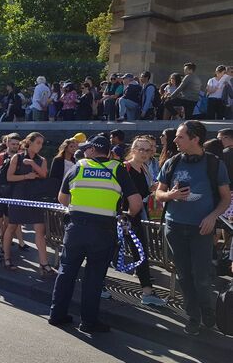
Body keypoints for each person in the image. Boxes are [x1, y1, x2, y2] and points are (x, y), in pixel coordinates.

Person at [49, 135, 143, 333]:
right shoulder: (117, 169)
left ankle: (57, 315)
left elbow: (62, 198)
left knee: (66, 272)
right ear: (108, 152)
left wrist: (79, 207)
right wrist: (126, 215)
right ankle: (89, 323)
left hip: (75, 229)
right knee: (94, 278)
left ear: (92, 149)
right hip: (102, 231)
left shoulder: (78, 166)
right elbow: (136, 204)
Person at [156, 120, 230, 335]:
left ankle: (207, 309)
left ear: (195, 139)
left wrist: (212, 217)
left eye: (180, 136)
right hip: (175, 226)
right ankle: (193, 316)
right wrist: (170, 195)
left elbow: (225, 198)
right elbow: (158, 193)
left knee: (202, 276)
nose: (175, 140)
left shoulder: (214, 163)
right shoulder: (172, 162)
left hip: (201, 229)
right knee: (184, 275)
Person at [123, 137, 167, 306]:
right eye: (140, 149)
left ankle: (147, 292)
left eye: (147, 150)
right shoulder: (125, 168)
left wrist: (151, 190)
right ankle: (100, 285)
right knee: (112, 253)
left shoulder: (144, 169)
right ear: (133, 150)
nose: (144, 153)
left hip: (134, 217)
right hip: (124, 217)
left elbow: (140, 192)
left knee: (140, 253)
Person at [2, 132, 52, 274]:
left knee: (39, 230)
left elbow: (43, 174)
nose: (40, 146)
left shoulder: (41, 160)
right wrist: (26, 176)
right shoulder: (16, 157)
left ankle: (44, 263)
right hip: (18, 196)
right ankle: (6, 258)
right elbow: (9, 177)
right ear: (29, 142)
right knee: (12, 226)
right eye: (38, 143)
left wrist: (31, 164)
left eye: (41, 143)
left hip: (35, 197)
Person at [0, 133, 23, 262]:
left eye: (17, 144)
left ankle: (4, 246)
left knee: (9, 225)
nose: (15, 146)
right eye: (13, 144)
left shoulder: (22, 159)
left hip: (14, 197)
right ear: (7, 144)